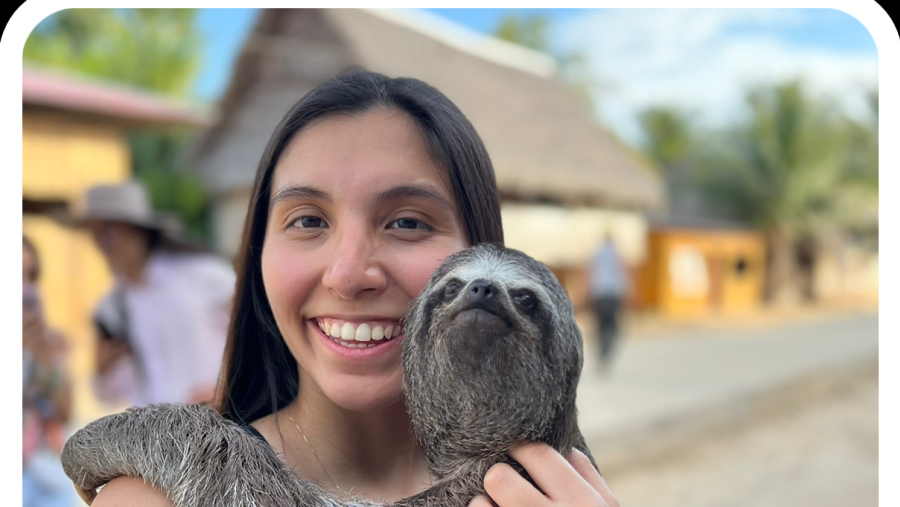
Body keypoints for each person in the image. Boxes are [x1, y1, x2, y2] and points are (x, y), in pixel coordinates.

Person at [84, 71, 620, 507]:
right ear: (258, 255)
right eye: (308, 220)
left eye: (408, 222)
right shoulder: (151, 497)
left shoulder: (559, 488)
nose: (347, 274)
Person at [76, 181, 235, 407]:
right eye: (95, 233)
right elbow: (107, 395)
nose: (102, 244)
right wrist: (103, 370)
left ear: (137, 230)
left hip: (217, 422)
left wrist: (229, 388)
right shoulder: (110, 308)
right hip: (154, 437)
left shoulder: (203, 275)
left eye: (109, 232)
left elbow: (256, 335)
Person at [22, 236, 76, 507]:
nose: (24, 284)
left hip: (48, 478)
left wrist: (45, 359)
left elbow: (65, 412)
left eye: (29, 274)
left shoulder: (45, 339)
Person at [587, 234, 629, 371]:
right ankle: (606, 351)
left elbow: (591, 273)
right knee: (612, 325)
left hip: (598, 293)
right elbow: (620, 273)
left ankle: (601, 351)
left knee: (600, 324)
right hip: (612, 293)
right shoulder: (615, 253)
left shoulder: (597, 254)